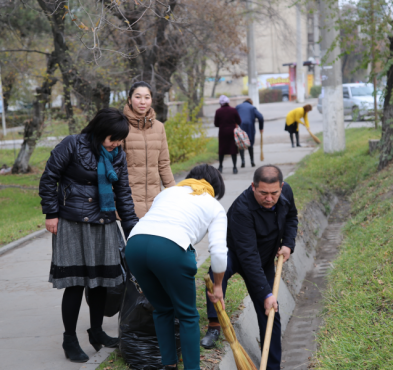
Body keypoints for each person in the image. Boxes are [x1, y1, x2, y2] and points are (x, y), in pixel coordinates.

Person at [39, 108, 139, 363]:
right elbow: (49, 179)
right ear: (99, 132)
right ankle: (69, 339)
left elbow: (124, 194)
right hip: (72, 222)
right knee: (75, 283)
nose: (116, 144)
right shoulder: (72, 145)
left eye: (120, 140)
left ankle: (96, 332)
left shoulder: (118, 155)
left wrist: (134, 233)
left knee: (102, 283)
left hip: (104, 221)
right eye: (113, 139)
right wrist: (51, 213)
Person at [125, 164, 228, 370]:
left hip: (134, 246)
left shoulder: (168, 192)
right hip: (170, 249)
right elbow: (217, 252)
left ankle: (169, 365)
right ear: (214, 189)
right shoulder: (213, 205)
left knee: (162, 309)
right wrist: (218, 286)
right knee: (188, 315)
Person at [201, 165, 298, 370]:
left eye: (274, 193)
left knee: (271, 312)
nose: (269, 198)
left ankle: (272, 366)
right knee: (217, 272)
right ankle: (214, 325)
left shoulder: (286, 192)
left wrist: (288, 243)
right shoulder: (241, 209)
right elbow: (248, 255)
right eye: (263, 193)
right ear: (253, 186)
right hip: (237, 253)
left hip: (265, 258)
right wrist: (265, 292)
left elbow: (291, 217)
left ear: (281, 187)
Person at [122, 81, 176, 219]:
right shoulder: (121, 127)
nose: (142, 102)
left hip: (155, 202)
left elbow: (163, 164)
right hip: (128, 202)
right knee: (133, 240)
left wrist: (174, 193)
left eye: (147, 97)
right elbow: (113, 166)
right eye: (138, 97)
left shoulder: (159, 127)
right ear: (129, 100)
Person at [214, 95, 242, 174]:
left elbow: (216, 124)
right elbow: (239, 121)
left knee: (222, 150)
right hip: (232, 132)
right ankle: (235, 168)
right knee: (233, 150)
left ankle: (220, 167)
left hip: (222, 133)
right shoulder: (233, 110)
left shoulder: (218, 111)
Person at [236, 98, 264, 168]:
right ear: (251, 103)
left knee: (241, 144)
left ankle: (243, 161)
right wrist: (261, 128)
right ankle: (252, 161)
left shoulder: (238, 107)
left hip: (240, 127)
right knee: (250, 144)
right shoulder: (252, 107)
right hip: (250, 128)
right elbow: (260, 117)